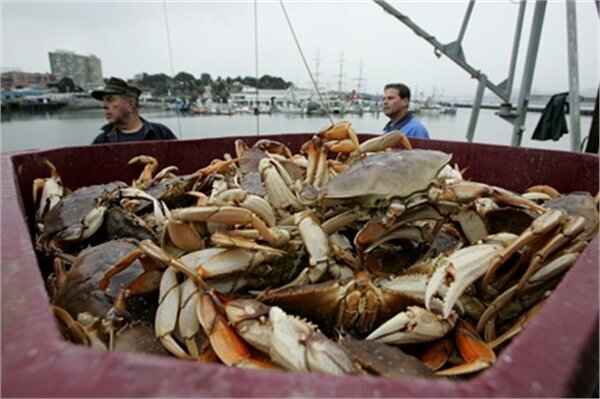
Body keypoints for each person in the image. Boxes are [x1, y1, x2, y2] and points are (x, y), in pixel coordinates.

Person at [90, 77, 177, 144]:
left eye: (110, 99)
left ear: (130, 104)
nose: (103, 105)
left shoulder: (161, 133)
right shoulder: (102, 141)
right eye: (103, 100)